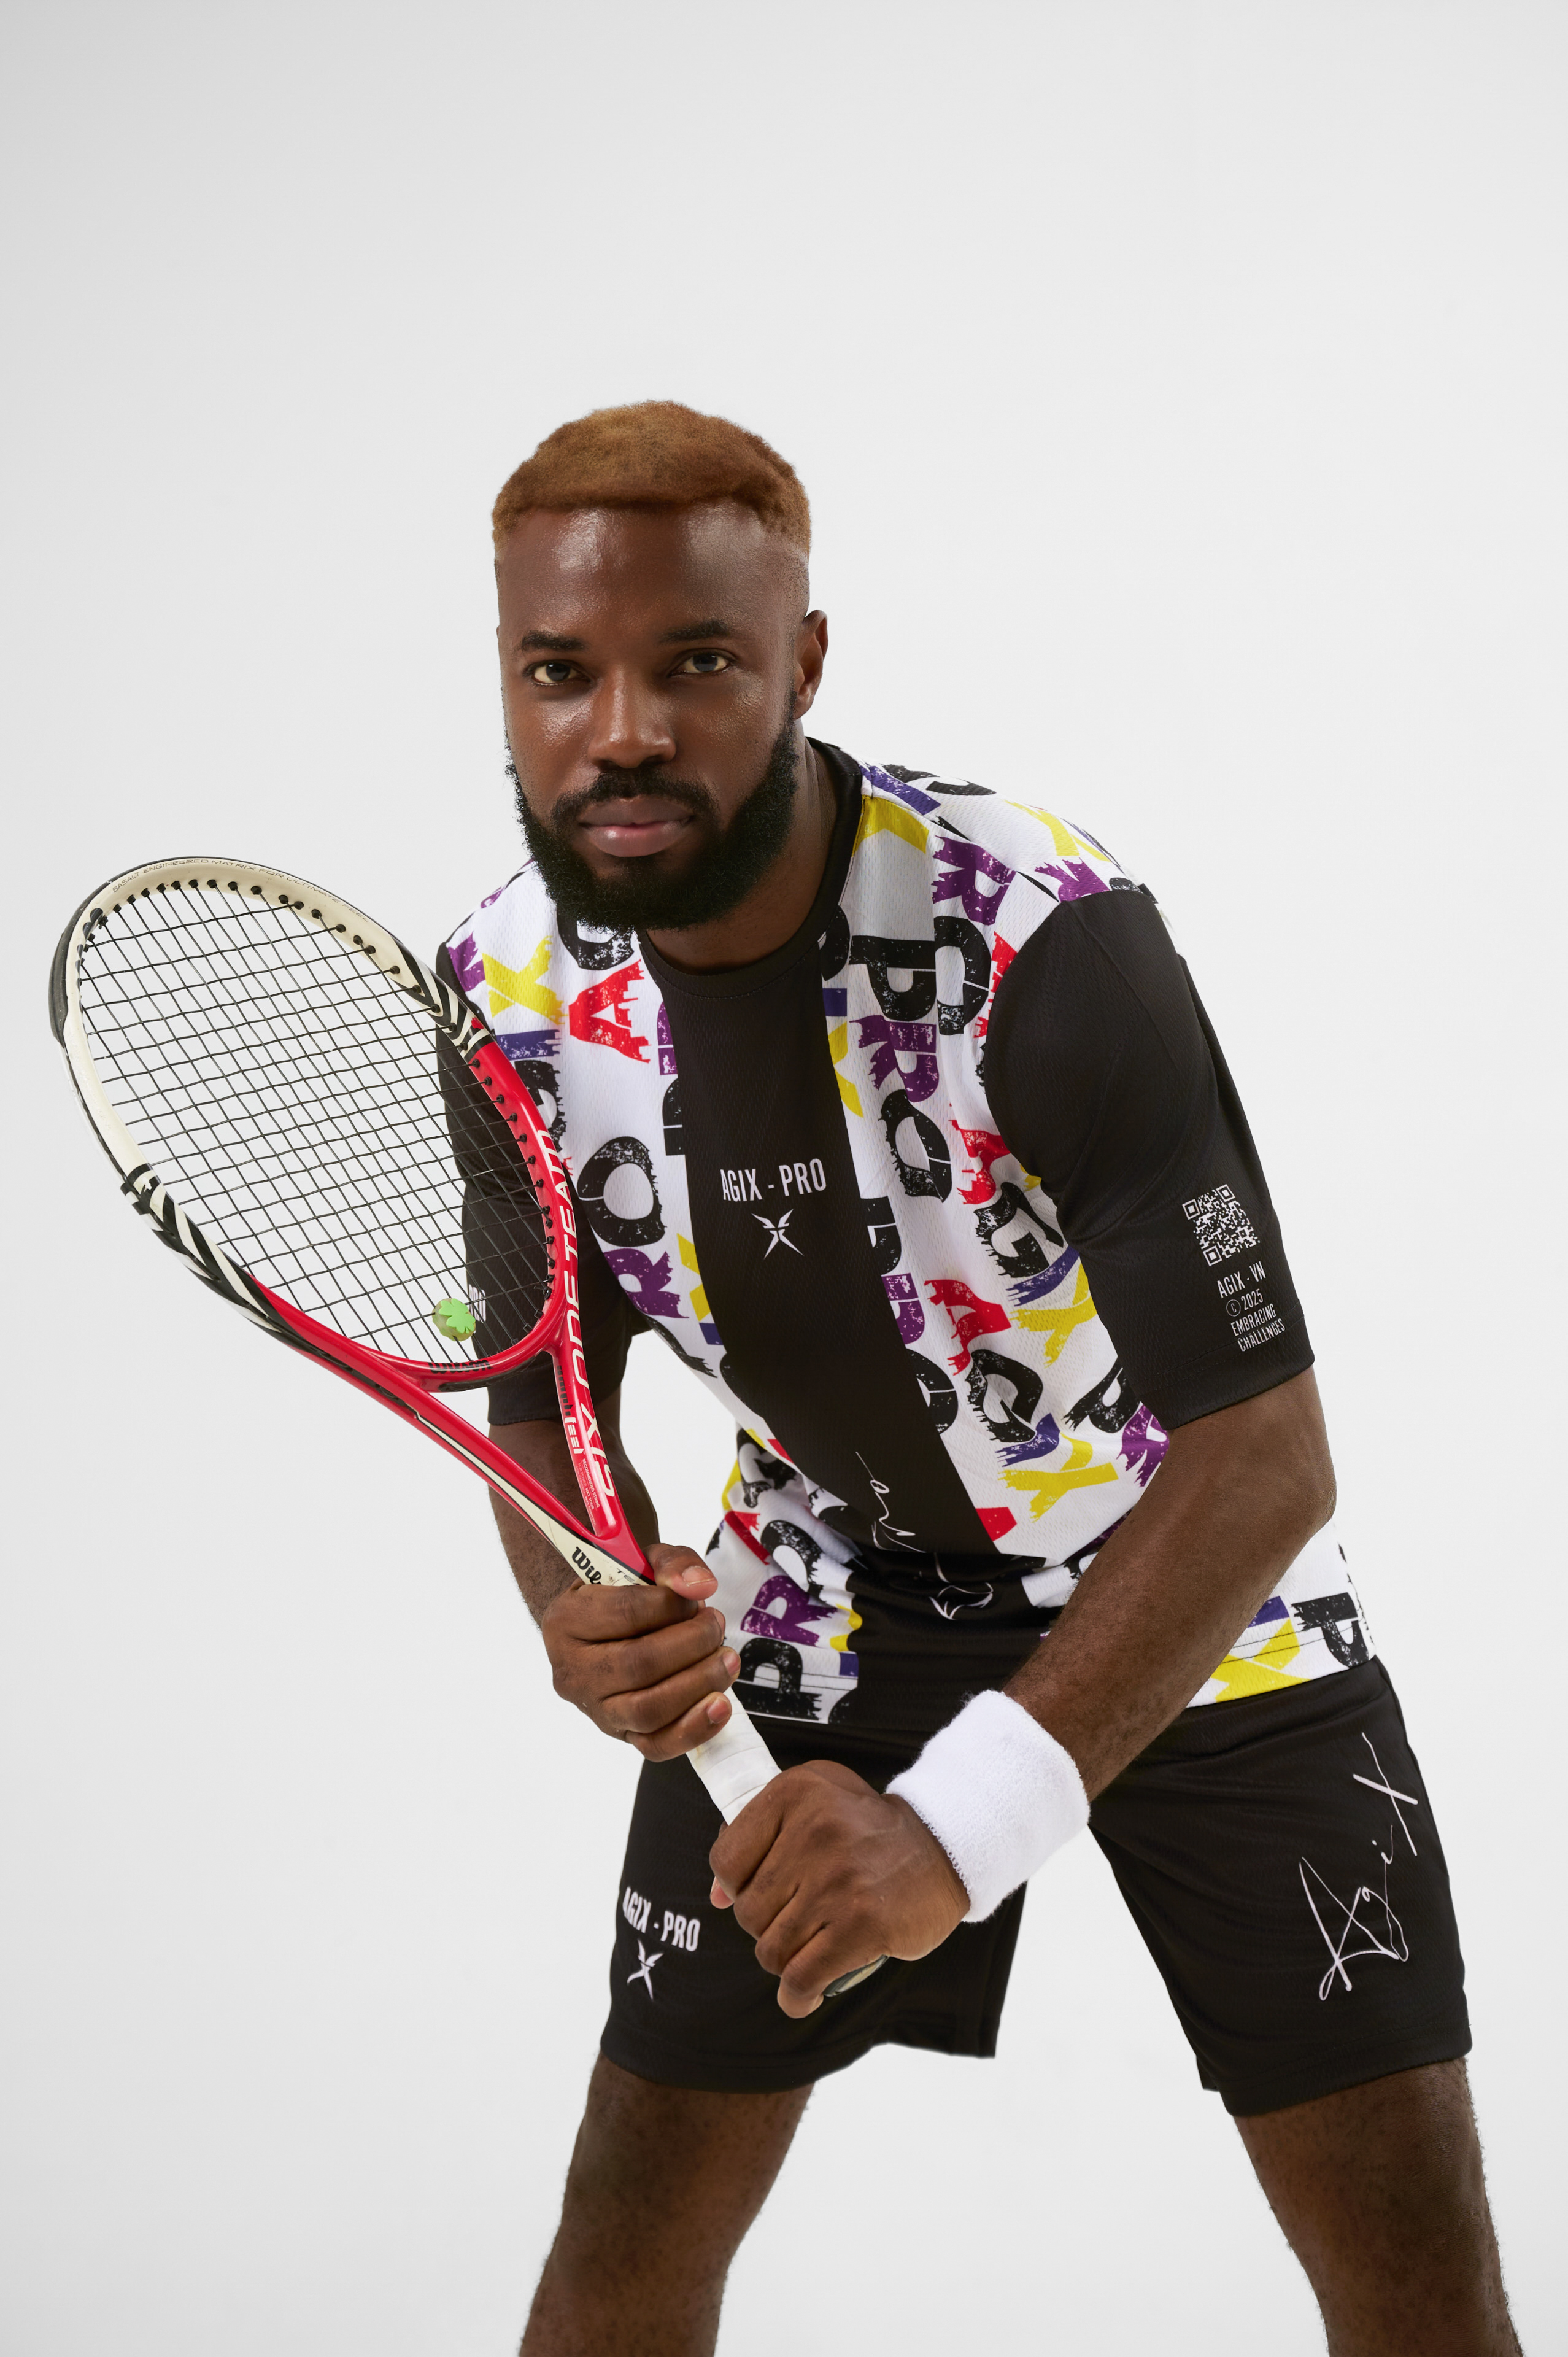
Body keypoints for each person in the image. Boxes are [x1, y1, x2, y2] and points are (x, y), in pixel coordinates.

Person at [441, 401, 1518, 2356]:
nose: (621, 731)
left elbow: (1266, 1455)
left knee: (1417, 2294)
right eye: (558, 671)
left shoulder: (1035, 933)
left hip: (1191, 1578)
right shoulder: (504, 997)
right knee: (619, 2260)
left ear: (802, 663)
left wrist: (963, 1824)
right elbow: (542, 1411)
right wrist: (578, 1605)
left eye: (697, 663)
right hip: (821, 1597)